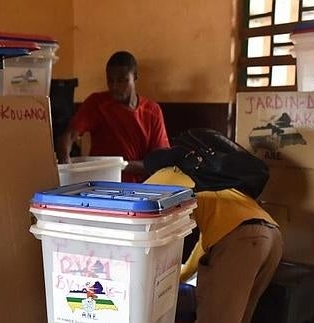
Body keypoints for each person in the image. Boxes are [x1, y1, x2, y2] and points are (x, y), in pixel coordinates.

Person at [143, 133, 283, 323]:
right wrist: (182, 275)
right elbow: (209, 239)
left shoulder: (157, 183)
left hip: (242, 242)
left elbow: (139, 224)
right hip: (270, 237)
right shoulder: (208, 180)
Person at [56, 50, 170, 182]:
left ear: (135, 77)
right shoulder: (97, 103)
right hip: (100, 185)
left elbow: (160, 163)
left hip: (140, 188)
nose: (115, 86)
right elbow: (69, 136)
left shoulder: (152, 111)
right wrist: (65, 160)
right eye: (110, 81)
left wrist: (119, 166)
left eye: (122, 80)